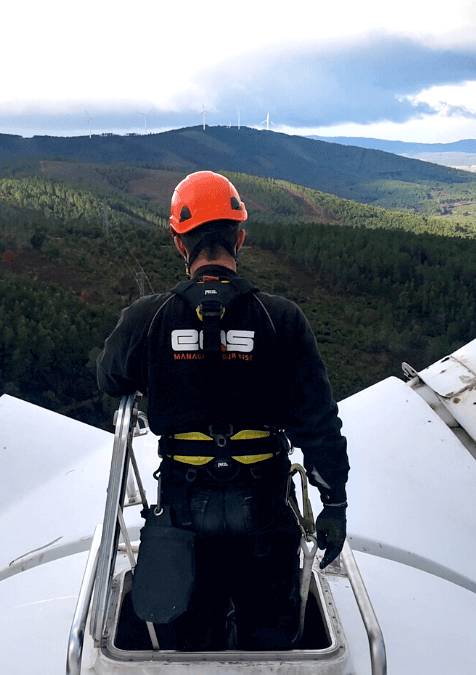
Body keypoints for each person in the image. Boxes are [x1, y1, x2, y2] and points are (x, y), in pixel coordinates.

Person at [96, 170, 349, 652]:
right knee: (269, 641)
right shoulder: (282, 318)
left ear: (178, 242)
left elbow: (110, 378)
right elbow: (318, 423)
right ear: (240, 237)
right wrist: (334, 504)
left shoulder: (147, 318)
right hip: (265, 513)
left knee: (193, 643)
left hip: (183, 513)